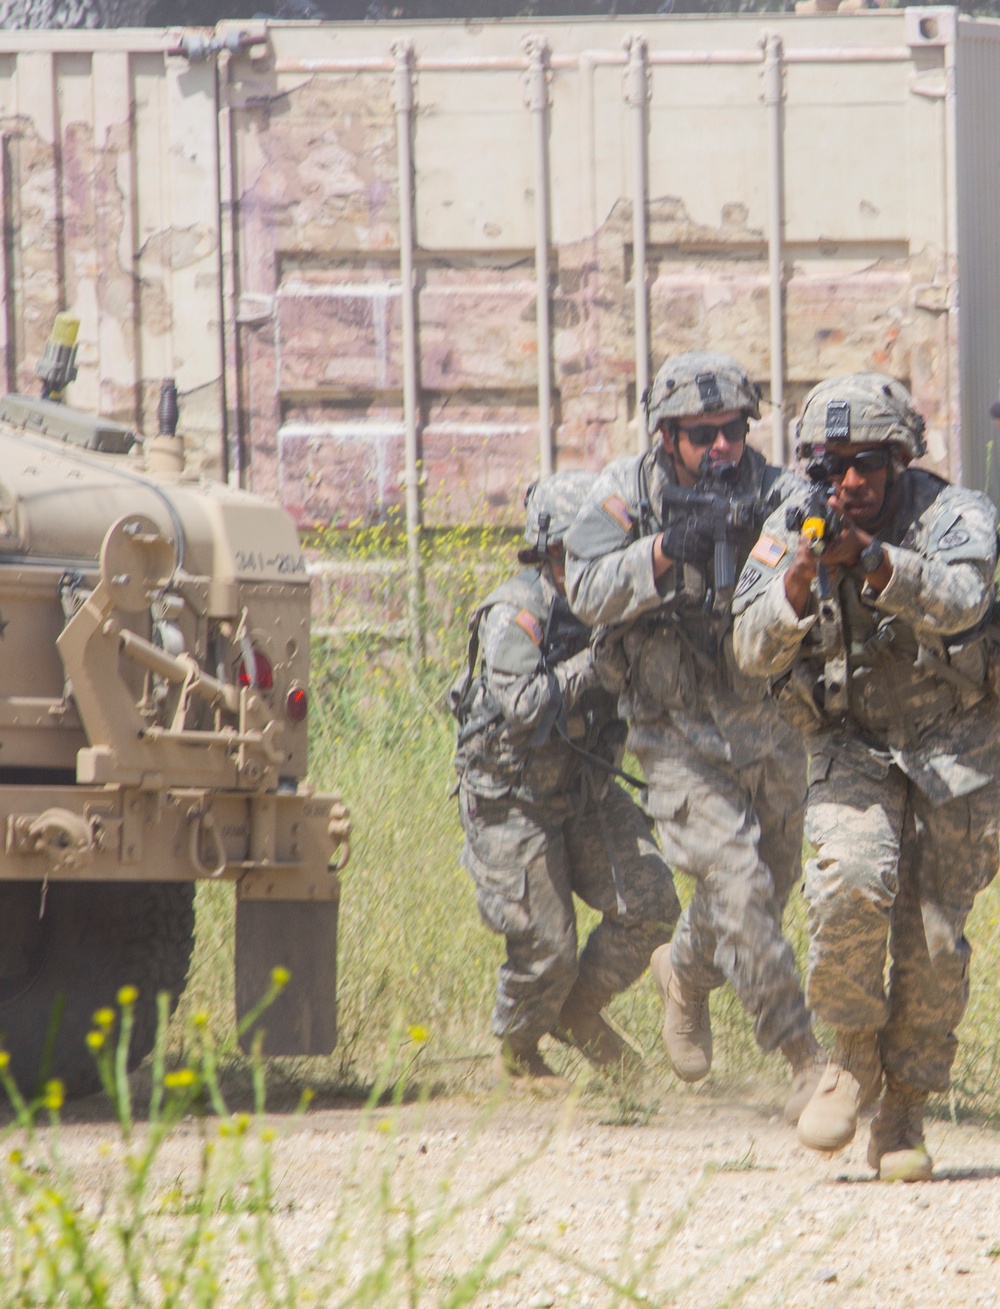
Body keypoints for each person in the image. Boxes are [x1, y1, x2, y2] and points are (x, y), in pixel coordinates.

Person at [732, 372, 1000, 1181]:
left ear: (901, 459)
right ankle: (849, 1059)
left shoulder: (954, 515)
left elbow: (960, 599)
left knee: (934, 937)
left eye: (869, 465)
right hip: (851, 742)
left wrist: (877, 562)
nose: (849, 482)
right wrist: (795, 585)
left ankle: (904, 1112)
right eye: (831, 464)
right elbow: (746, 648)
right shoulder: (792, 527)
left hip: (957, 747)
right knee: (847, 879)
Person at [562, 351, 823, 1123]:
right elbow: (583, 588)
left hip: (769, 727)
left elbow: (812, 540)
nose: (719, 448)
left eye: (732, 432)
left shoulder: (774, 491)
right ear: (666, 435)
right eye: (701, 434)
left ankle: (681, 973)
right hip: (672, 734)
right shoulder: (626, 494)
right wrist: (666, 548)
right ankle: (804, 1059)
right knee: (737, 885)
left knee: (763, 891)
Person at [452, 469, 680, 1088]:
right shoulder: (516, 614)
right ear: (552, 550)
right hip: (513, 800)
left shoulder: (621, 605)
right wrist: (598, 658)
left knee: (653, 906)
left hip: (585, 791)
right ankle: (520, 1050)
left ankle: (576, 1015)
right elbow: (523, 708)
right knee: (546, 949)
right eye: (581, 551)